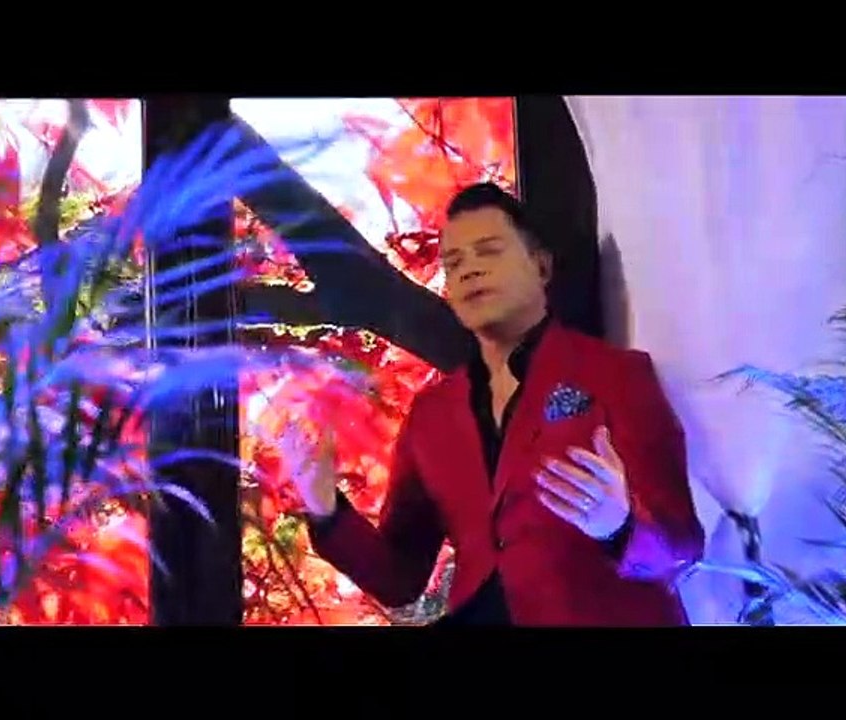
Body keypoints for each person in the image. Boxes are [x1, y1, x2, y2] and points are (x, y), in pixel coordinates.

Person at [296, 182, 705, 626]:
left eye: (488, 252)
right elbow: (400, 578)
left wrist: (620, 526)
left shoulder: (617, 375)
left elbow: (681, 544)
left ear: (541, 266)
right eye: (454, 262)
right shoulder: (431, 414)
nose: (469, 270)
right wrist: (326, 511)